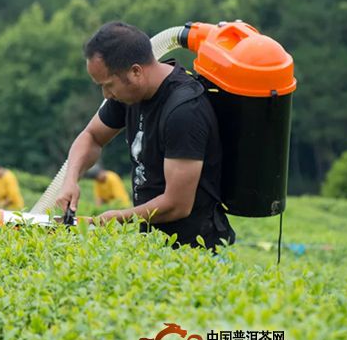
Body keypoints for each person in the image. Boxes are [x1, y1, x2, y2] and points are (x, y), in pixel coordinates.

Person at [57, 22, 235, 249]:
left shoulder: (184, 111)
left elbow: (178, 204)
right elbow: (91, 137)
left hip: (197, 250)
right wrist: (70, 180)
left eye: (108, 85)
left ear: (136, 71)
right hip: (154, 246)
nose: (106, 94)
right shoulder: (129, 93)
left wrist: (119, 217)